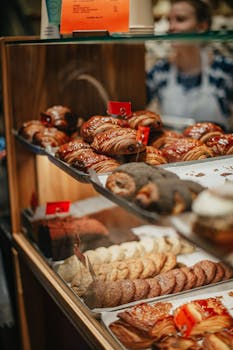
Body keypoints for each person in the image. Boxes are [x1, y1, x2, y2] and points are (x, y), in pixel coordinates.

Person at [146, 0, 233, 130]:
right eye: (170, 20)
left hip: (215, 148)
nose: (171, 27)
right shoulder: (160, 71)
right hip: (172, 147)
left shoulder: (224, 70)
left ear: (202, 27)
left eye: (180, 20)